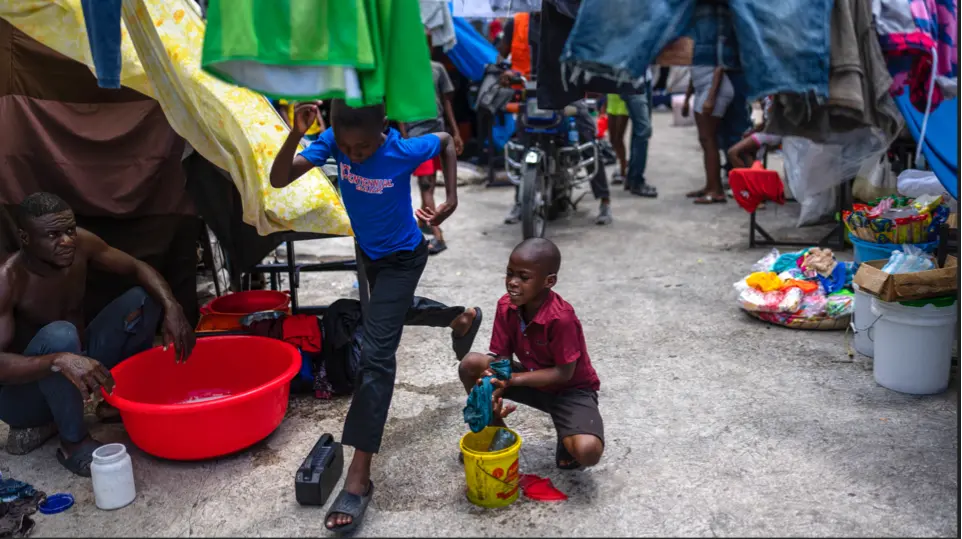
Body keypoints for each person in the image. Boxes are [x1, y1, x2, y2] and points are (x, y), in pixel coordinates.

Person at [269, 99, 482, 534]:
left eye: (364, 147)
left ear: (383, 129)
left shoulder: (402, 150)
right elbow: (278, 179)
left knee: (376, 358)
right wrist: (298, 132)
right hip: (371, 256)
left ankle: (360, 476)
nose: (355, 155)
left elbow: (445, 141)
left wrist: (450, 200)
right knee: (389, 314)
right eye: (347, 149)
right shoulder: (332, 141)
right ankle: (459, 320)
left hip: (406, 257)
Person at [0, 192, 195, 476]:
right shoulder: (9, 281)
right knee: (59, 335)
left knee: (143, 299)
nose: (66, 240)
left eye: (69, 230)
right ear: (25, 238)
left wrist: (173, 307)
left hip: (78, 359)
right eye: (53, 235)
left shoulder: (82, 244)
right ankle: (73, 443)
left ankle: (117, 402)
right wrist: (58, 360)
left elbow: (136, 267)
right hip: (25, 398)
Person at [459, 238, 604, 470]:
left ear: (549, 281)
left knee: (587, 452)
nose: (512, 283)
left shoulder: (561, 318)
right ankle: (497, 432)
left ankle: (567, 429)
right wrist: (493, 391)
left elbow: (564, 373)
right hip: (532, 379)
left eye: (523, 277)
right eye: (509, 274)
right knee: (472, 364)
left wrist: (511, 380)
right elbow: (502, 360)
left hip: (570, 391)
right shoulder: (507, 306)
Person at [399, 44, 464, 255]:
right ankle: (437, 234)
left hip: (438, 134)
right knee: (426, 184)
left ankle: (425, 224)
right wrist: (405, 137)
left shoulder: (438, 69)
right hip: (416, 136)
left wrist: (455, 133)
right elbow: (397, 106)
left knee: (429, 184)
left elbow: (447, 104)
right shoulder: (403, 71)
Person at [682, 65, 735, 204]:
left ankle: (716, 191)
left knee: (709, 138)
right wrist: (687, 99)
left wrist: (711, 97)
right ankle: (710, 186)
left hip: (714, 88)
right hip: (703, 88)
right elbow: (693, 72)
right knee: (705, 140)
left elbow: (720, 66)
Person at [605, 94, 630, 185]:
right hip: (611, 100)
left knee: (618, 138)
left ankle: (623, 171)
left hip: (623, 101)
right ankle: (622, 163)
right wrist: (605, 104)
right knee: (612, 140)